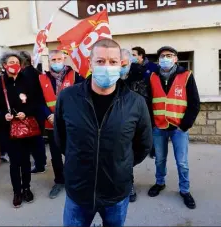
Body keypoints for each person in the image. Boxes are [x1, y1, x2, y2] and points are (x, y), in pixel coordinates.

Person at [54, 39, 152, 227]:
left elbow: (144, 144)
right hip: (78, 191)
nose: (107, 67)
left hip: (116, 192)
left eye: (113, 62)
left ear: (121, 65)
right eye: (100, 61)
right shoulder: (68, 97)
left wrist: (122, 163)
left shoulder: (136, 103)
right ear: (90, 63)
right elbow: (61, 139)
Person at [147, 46, 200, 209]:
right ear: (158, 60)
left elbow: (194, 103)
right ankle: (160, 182)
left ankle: (185, 190)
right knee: (160, 160)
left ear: (176, 59)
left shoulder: (186, 75)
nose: (165, 58)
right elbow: (148, 102)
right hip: (159, 126)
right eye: (162, 56)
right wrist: (151, 123)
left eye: (169, 55)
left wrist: (185, 125)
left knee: (182, 162)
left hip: (179, 128)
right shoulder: (152, 77)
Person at [0, 51, 38, 208]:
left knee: (26, 160)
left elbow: (36, 102)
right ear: (4, 65)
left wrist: (26, 112)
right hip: (7, 130)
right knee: (15, 162)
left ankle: (26, 188)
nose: (13, 65)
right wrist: (2, 115)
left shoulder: (28, 81)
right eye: (10, 62)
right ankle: (17, 192)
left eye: (16, 62)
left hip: (26, 128)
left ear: (20, 64)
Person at [39, 49, 84, 199]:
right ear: (49, 61)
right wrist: (48, 115)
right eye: (53, 60)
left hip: (71, 123)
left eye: (59, 59)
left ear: (64, 59)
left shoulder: (75, 76)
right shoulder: (42, 78)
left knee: (73, 153)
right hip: (51, 123)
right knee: (55, 154)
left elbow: (83, 96)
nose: (57, 62)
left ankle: (75, 179)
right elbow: (39, 101)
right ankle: (59, 181)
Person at [120, 48, 150, 203]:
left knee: (127, 155)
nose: (120, 66)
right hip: (115, 123)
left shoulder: (139, 74)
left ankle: (129, 184)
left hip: (132, 122)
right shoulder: (113, 77)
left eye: (123, 63)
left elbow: (142, 98)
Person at [19, 51, 47, 173]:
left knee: (34, 140)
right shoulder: (35, 72)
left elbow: (27, 94)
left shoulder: (25, 74)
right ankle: (41, 162)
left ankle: (40, 164)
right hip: (39, 110)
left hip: (32, 112)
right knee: (38, 138)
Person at [131, 46, 158, 158]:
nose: (131, 57)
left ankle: (152, 150)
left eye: (134, 55)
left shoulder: (152, 67)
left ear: (141, 56)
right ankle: (136, 149)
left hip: (149, 103)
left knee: (150, 126)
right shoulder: (131, 67)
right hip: (134, 103)